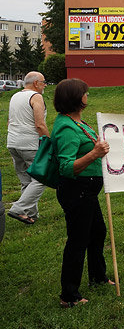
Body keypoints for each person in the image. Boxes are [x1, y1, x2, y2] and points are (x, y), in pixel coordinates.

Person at [51, 79, 111, 307]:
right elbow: (66, 167)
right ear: (76, 98)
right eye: (84, 92)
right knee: (78, 240)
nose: (87, 95)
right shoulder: (66, 127)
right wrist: (94, 154)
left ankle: (98, 277)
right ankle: (69, 295)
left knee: (97, 234)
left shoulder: (77, 122)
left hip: (88, 191)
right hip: (77, 190)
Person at [6, 71, 48, 225]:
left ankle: (31, 214)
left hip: (13, 142)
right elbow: (39, 124)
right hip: (29, 144)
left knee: (26, 180)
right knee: (40, 178)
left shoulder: (15, 96)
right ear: (36, 83)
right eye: (44, 82)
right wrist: (48, 142)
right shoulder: (36, 97)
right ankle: (18, 208)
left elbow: (9, 122)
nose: (45, 85)